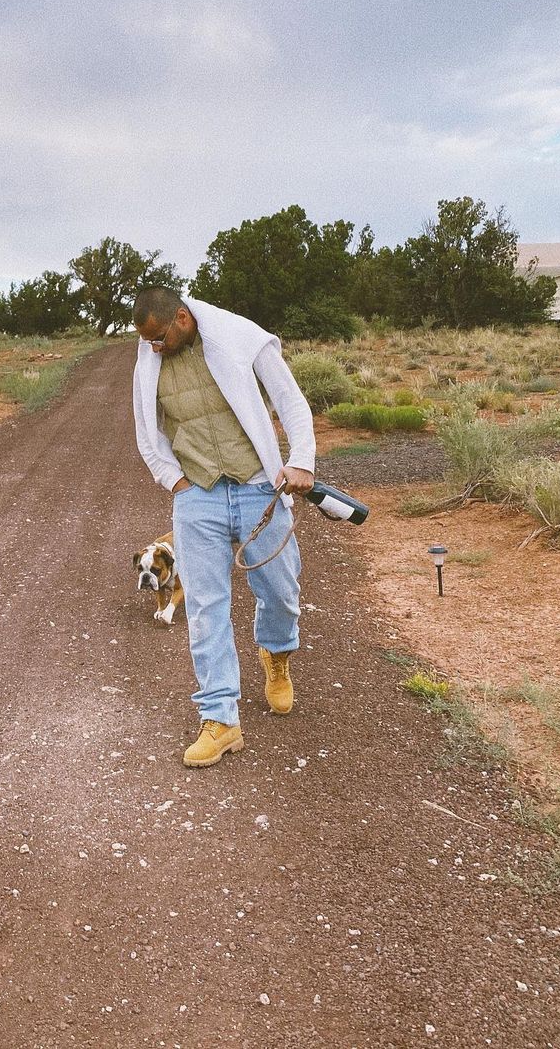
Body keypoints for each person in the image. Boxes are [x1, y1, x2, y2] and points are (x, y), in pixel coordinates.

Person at [132, 286, 316, 767]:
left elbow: (290, 400)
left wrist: (302, 462)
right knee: (205, 605)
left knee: (280, 591)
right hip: (199, 496)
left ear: (181, 318)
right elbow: (145, 431)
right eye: (146, 340)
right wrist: (175, 483)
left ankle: (275, 655)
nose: (152, 347)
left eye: (158, 337)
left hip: (260, 486)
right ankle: (220, 718)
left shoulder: (238, 335)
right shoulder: (149, 358)